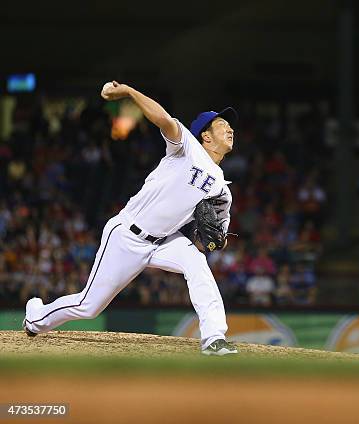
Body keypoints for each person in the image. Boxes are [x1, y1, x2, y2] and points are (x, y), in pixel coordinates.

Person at [23, 81, 238, 356]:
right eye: (222, 124)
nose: (230, 129)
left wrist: (214, 243)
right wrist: (128, 92)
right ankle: (36, 317)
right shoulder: (187, 148)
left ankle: (213, 338)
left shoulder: (222, 188)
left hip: (164, 241)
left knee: (197, 264)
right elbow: (163, 119)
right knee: (89, 306)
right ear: (206, 136)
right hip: (127, 235)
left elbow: (217, 239)